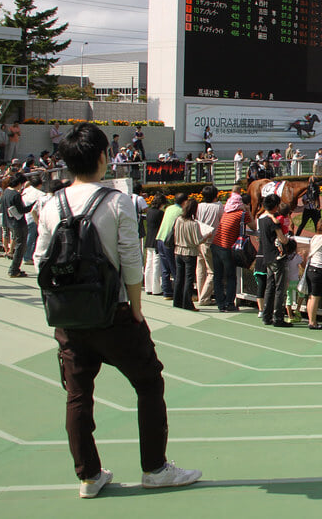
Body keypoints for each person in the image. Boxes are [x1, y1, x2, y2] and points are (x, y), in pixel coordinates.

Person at [33, 122, 200, 498]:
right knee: (149, 383)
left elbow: (41, 260)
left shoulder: (50, 203)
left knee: (78, 395)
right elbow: (130, 260)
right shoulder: (115, 200)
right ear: (103, 157)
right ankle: (155, 468)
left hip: (70, 319)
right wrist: (137, 308)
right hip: (116, 312)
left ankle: (89, 476)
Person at [258, 193, 293, 327]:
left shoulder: (262, 219)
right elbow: (283, 239)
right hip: (278, 256)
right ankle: (278, 317)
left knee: (269, 286)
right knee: (280, 288)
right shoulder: (274, 221)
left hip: (267, 255)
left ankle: (266, 315)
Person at [172, 199, 211, 312]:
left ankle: (177, 301)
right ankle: (187, 303)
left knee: (179, 277)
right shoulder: (193, 224)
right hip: (190, 252)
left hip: (178, 251)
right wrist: (207, 236)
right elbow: (197, 240)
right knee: (189, 279)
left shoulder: (179, 220)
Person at [0, 173, 33, 277]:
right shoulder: (15, 195)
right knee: (20, 245)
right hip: (18, 222)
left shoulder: (6, 192)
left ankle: (15, 268)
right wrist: (33, 205)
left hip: (9, 221)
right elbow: (22, 210)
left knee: (18, 244)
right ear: (19, 183)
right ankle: (14, 269)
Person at [155, 193, 186, 300]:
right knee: (175, 268)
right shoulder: (181, 212)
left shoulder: (169, 208)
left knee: (165, 269)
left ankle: (167, 292)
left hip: (160, 238)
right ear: (184, 202)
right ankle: (180, 294)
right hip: (169, 242)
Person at [195, 185, 222, 306]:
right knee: (212, 272)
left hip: (199, 239)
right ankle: (204, 298)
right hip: (211, 241)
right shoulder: (218, 207)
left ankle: (201, 294)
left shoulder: (199, 206)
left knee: (200, 268)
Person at [142, 194, 166, 295]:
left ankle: (148, 287)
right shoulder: (160, 213)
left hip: (149, 240)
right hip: (156, 240)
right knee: (156, 265)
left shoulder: (150, 212)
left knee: (148, 264)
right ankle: (156, 288)